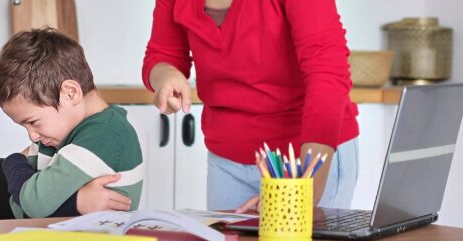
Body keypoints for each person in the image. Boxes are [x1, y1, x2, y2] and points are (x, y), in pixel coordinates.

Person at [142, 0, 359, 212]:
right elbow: (162, 54)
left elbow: (326, 73)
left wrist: (305, 184)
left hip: (307, 156)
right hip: (227, 162)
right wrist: (165, 76)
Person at [0, 28, 144, 218]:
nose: (32, 136)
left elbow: (33, 204)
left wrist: (13, 161)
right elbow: (20, 207)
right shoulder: (61, 136)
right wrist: (76, 204)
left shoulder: (104, 135)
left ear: (70, 93)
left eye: (33, 122)